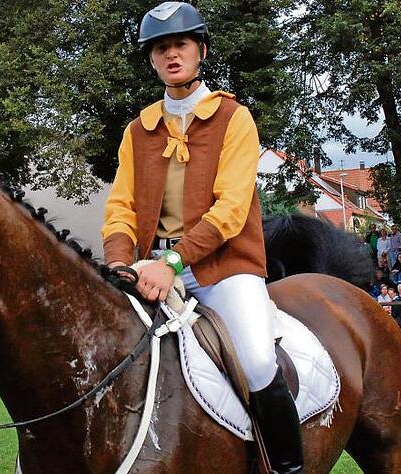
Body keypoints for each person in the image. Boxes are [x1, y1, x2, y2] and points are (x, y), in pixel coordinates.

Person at [101, 3, 301, 472]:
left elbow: (231, 210)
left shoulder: (235, 118)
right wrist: (118, 263)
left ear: (201, 51)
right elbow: (121, 207)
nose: (171, 55)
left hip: (224, 268)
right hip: (152, 268)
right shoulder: (138, 131)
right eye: (161, 48)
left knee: (257, 361)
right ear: (152, 60)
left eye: (181, 45)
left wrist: (173, 262)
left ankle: (288, 468)